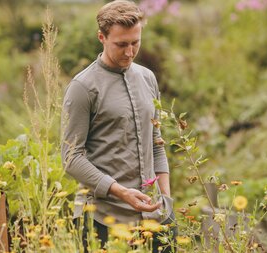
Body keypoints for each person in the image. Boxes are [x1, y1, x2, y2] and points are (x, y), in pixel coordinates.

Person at [61, 1, 176, 252]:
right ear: (101, 37)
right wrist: (121, 192)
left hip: (157, 217)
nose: (129, 52)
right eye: (121, 44)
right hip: (104, 220)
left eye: (135, 42)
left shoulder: (148, 78)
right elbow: (71, 157)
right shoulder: (82, 87)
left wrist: (166, 199)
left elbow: (156, 143)